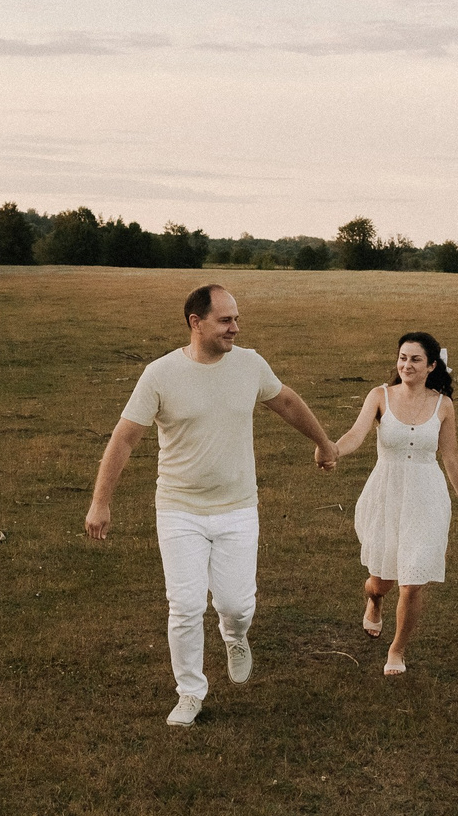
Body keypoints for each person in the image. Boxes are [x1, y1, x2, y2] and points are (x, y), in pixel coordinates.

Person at [85, 283, 339, 724]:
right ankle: (189, 692)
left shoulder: (250, 365)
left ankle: (234, 634)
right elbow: (124, 439)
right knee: (184, 605)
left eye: (237, 319)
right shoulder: (160, 374)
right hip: (179, 508)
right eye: (225, 321)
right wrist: (100, 503)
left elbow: (286, 401)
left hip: (238, 507)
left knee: (237, 605)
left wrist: (323, 442)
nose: (235, 328)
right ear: (195, 323)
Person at [330, 331, 458, 675]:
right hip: (386, 494)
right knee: (382, 580)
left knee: (413, 581)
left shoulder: (443, 405)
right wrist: (334, 449)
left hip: (427, 498)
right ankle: (375, 599)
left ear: (431, 365)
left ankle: (396, 649)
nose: (406, 364)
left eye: (414, 359)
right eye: (402, 358)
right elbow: (356, 433)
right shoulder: (379, 395)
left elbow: (451, 455)